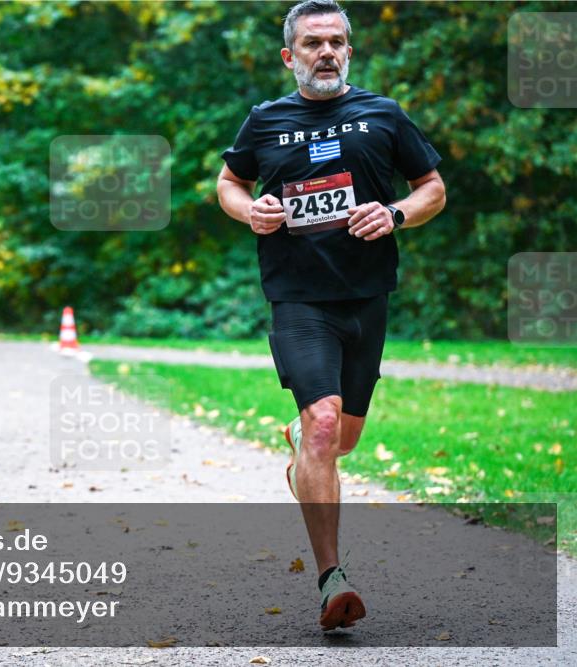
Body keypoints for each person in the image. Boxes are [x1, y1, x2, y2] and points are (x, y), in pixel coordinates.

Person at [216, 0, 446, 631]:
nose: (327, 52)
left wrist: (396, 212)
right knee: (321, 424)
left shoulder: (382, 114)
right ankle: (331, 580)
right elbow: (228, 183)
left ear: (349, 50)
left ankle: (303, 453)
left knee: (339, 441)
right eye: (314, 42)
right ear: (290, 55)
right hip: (298, 300)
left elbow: (432, 189)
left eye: (337, 42)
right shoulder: (266, 121)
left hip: (367, 298)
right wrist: (250, 211)